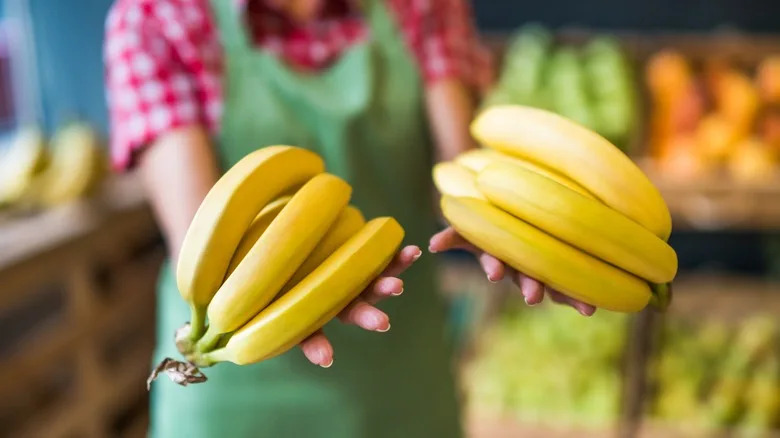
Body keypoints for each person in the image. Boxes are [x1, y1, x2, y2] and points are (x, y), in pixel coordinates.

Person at [104, 0, 596, 436]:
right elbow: (203, 239)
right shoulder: (156, 17)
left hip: (400, 375)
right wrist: (312, 292)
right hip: (239, 387)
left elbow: (461, 172)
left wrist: (512, 233)